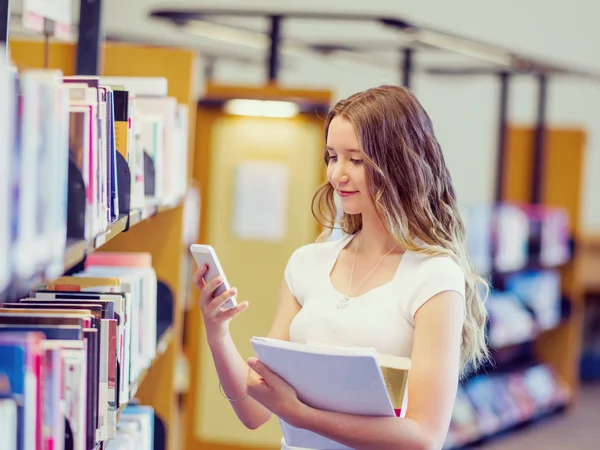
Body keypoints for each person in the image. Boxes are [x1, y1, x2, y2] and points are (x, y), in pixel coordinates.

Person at [193, 85, 490, 450]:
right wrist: (218, 334)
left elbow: (424, 437)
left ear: (400, 163)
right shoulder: (307, 264)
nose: (337, 174)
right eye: (332, 156)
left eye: (356, 159)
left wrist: (301, 415)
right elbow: (256, 413)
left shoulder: (434, 276)